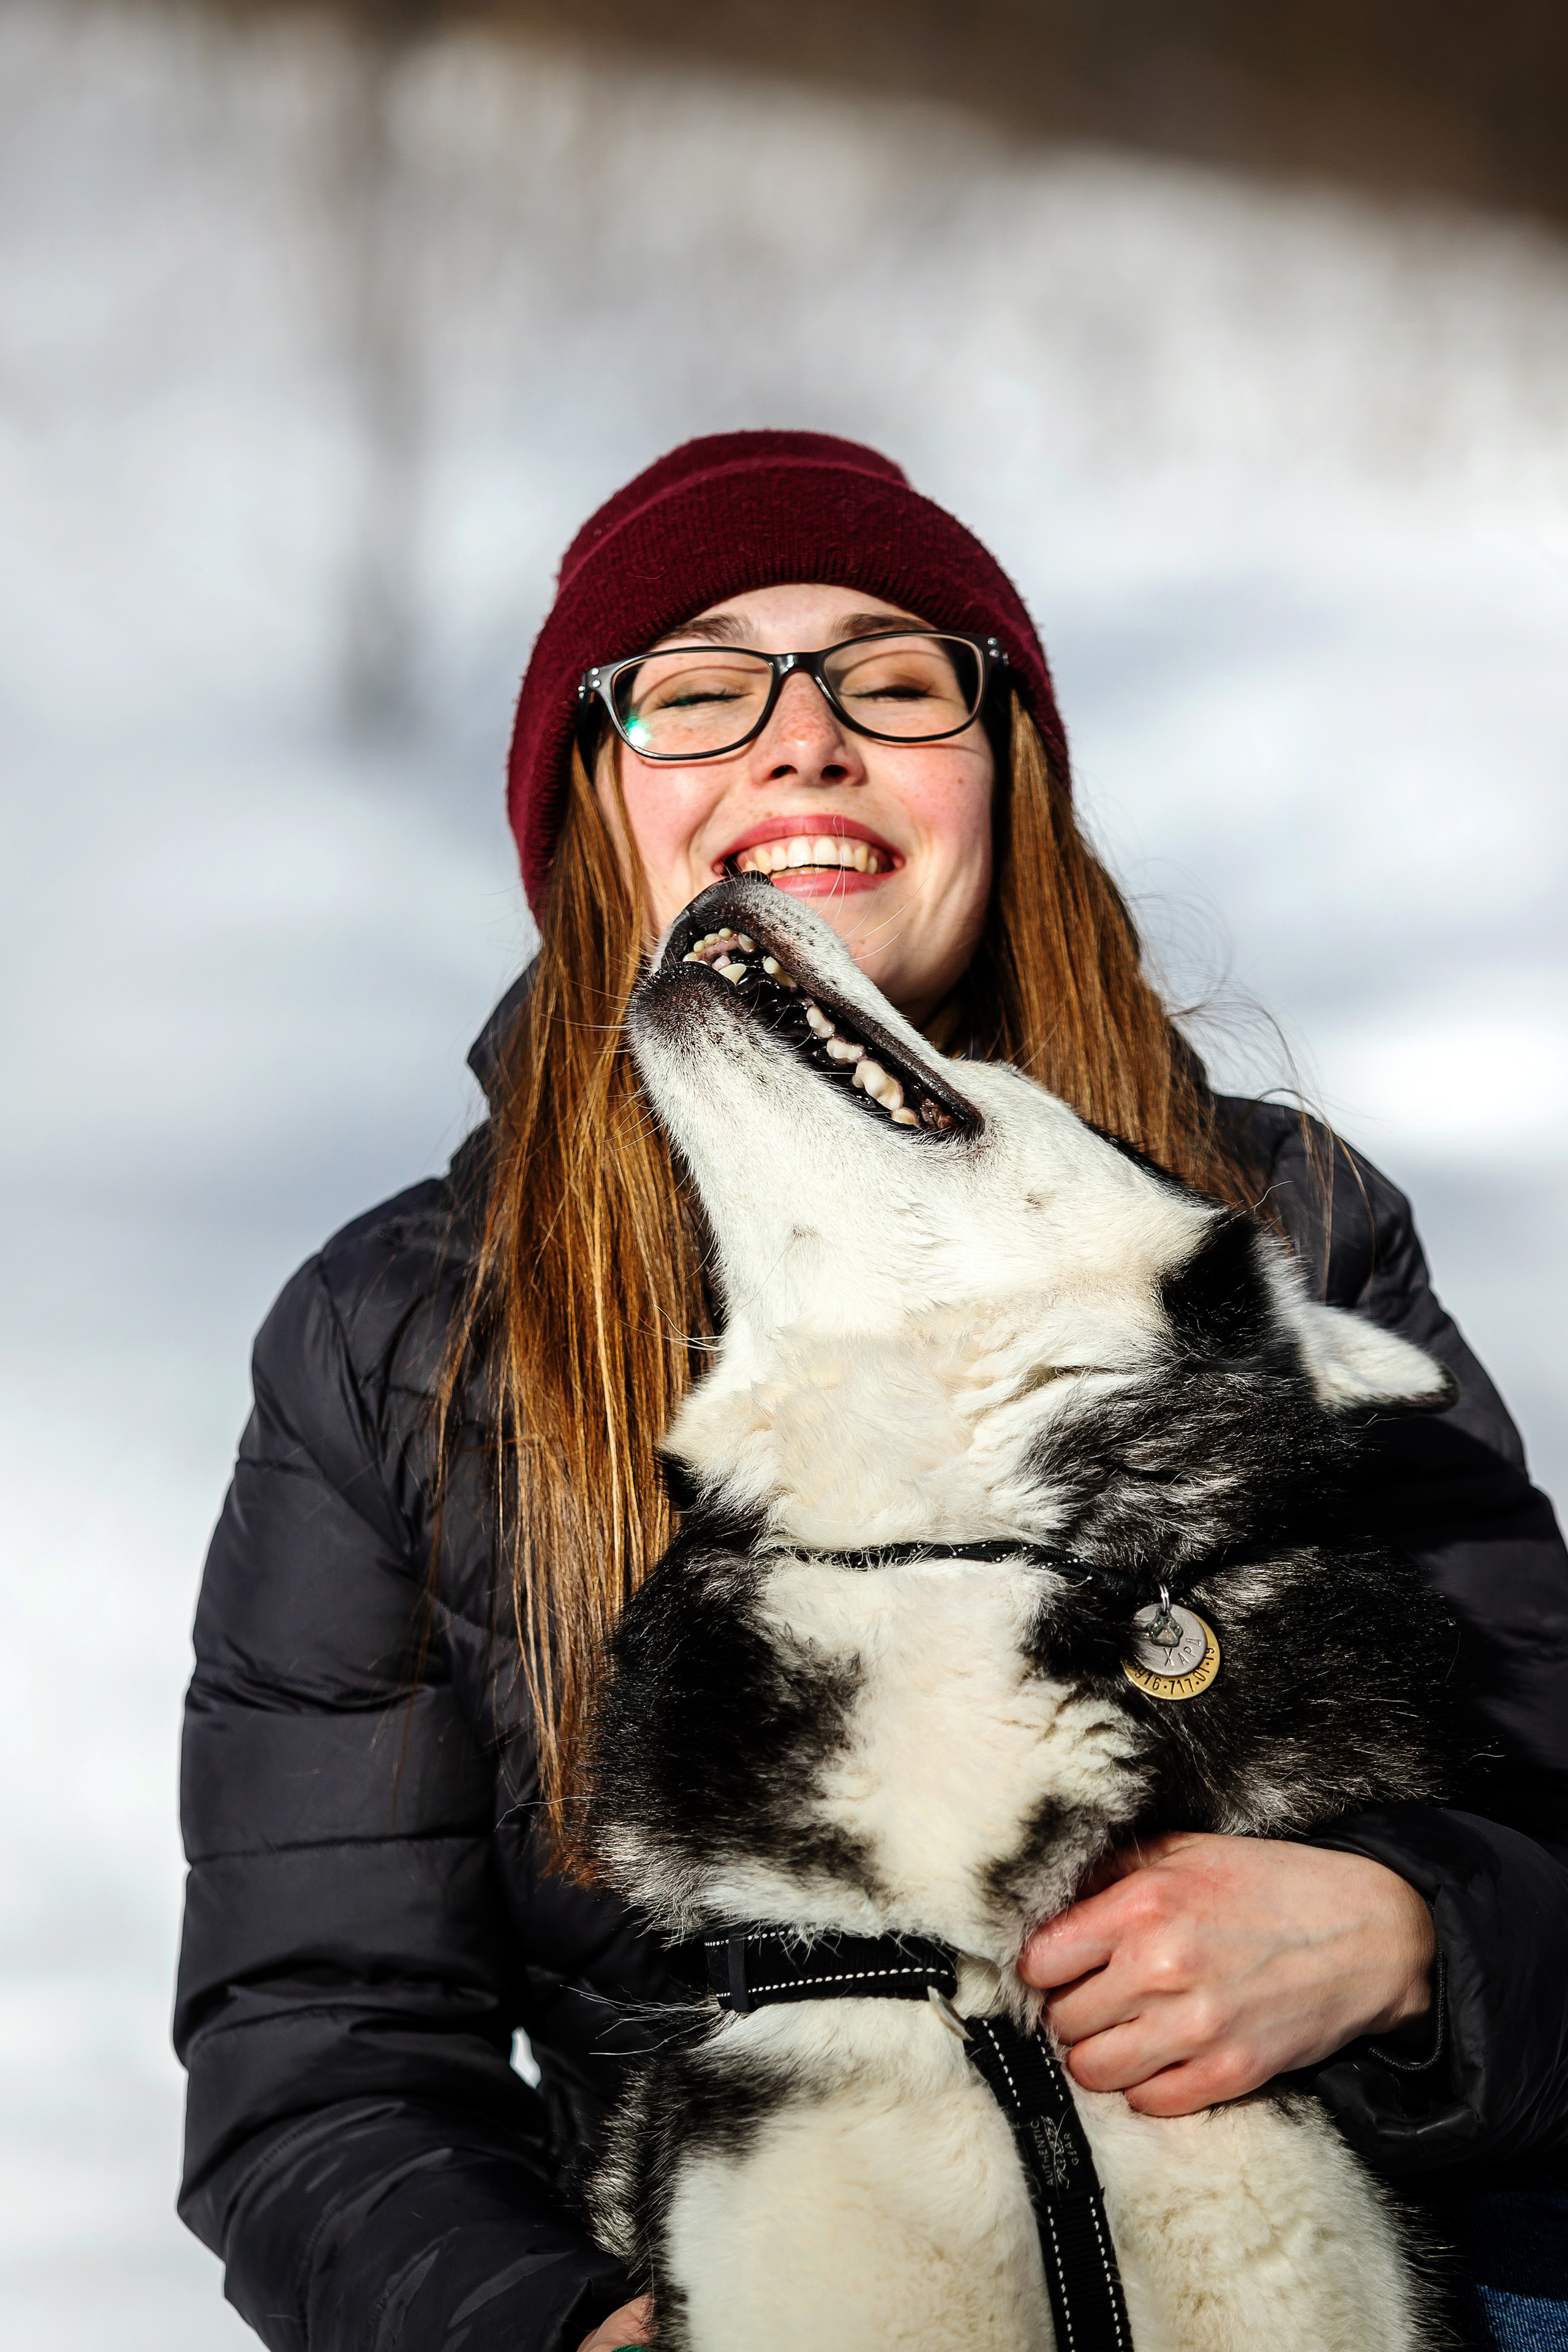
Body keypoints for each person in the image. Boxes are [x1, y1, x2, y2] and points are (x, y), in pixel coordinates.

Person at [175, 432, 1568, 2352]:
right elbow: (321, 2051)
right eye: (698, 688)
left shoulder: (1270, 1239)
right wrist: (564, 2335)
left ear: (1007, 782)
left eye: (897, 682)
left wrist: (1416, 1939)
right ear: (598, 800)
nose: (803, 741)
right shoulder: (408, 1345)